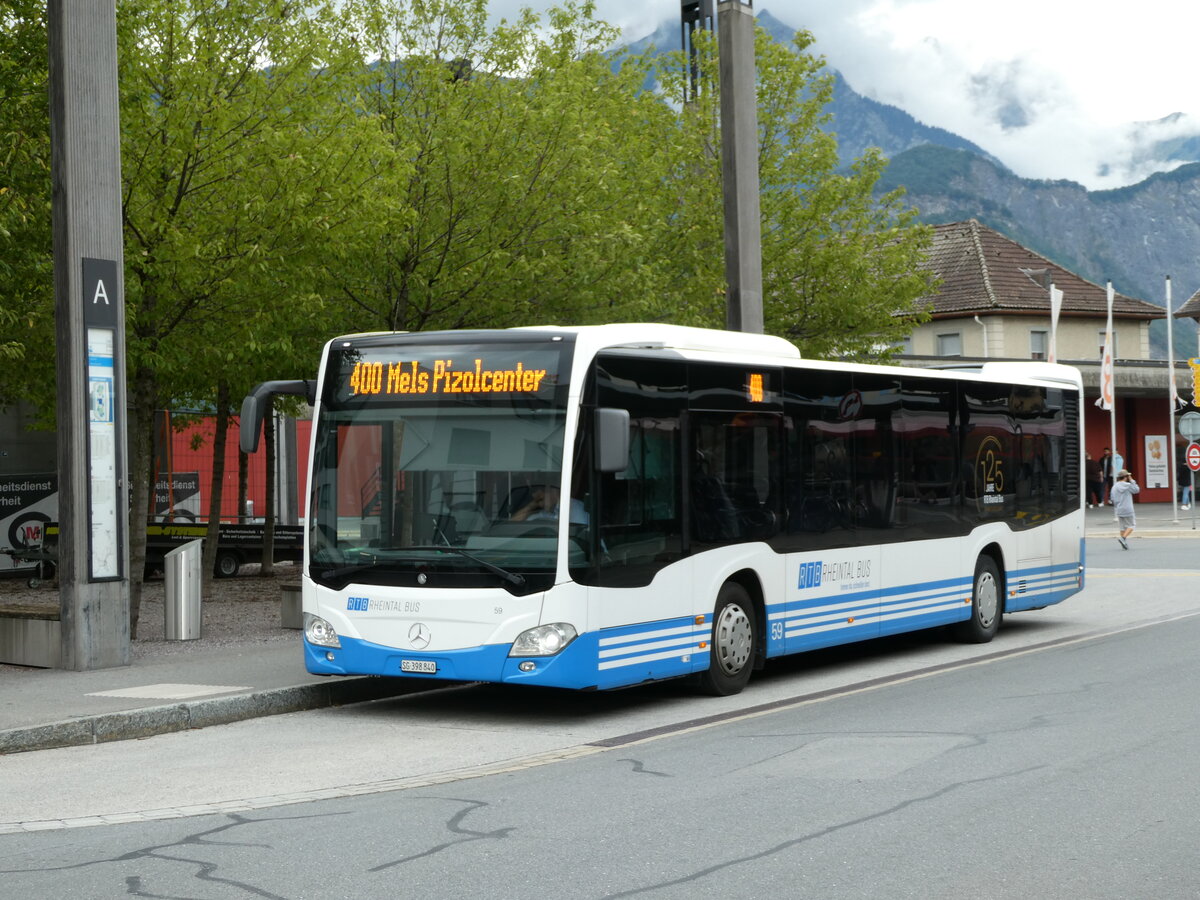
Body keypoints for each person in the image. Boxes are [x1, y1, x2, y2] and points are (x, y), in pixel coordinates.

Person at [511, 485, 588, 525]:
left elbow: (579, 536)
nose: (534, 495)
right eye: (533, 491)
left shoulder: (575, 507)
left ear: (553, 490)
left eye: (540, 489)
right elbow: (512, 526)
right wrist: (530, 506)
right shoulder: (542, 514)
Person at [1110, 468, 1139, 549]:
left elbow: (1112, 498)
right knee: (1132, 525)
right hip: (1128, 508)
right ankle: (1123, 539)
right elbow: (1137, 490)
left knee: (1122, 527)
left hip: (1119, 508)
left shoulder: (1114, 486)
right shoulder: (1128, 485)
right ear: (1126, 477)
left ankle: (1124, 544)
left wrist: (1116, 506)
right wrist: (1132, 480)